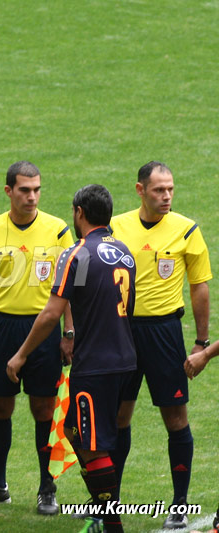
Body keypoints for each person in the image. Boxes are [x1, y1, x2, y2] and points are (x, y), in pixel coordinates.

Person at [7, 184, 137, 533]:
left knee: (91, 446)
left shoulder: (76, 254)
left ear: (79, 212)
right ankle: (104, 514)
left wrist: (20, 356)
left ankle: (110, 524)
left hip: (95, 365)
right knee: (75, 433)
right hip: (125, 359)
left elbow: (51, 313)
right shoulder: (125, 252)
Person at [110, 161, 211, 529]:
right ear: (140, 190)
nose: (166, 196)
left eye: (170, 189)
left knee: (175, 417)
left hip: (165, 333)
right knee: (119, 417)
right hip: (122, 330)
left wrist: (201, 342)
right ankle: (110, 501)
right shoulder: (116, 227)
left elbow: (199, 287)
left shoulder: (186, 230)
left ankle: (179, 505)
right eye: (158, 190)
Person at [0, 161, 73, 514]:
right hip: (0, 327)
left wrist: (69, 334)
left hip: (43, 328)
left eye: (37, 189)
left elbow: (70, 287)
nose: (32, 197)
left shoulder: (58, 231)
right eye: (25, 190)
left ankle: (48, 488)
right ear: (9, 191)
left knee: (43, 407)